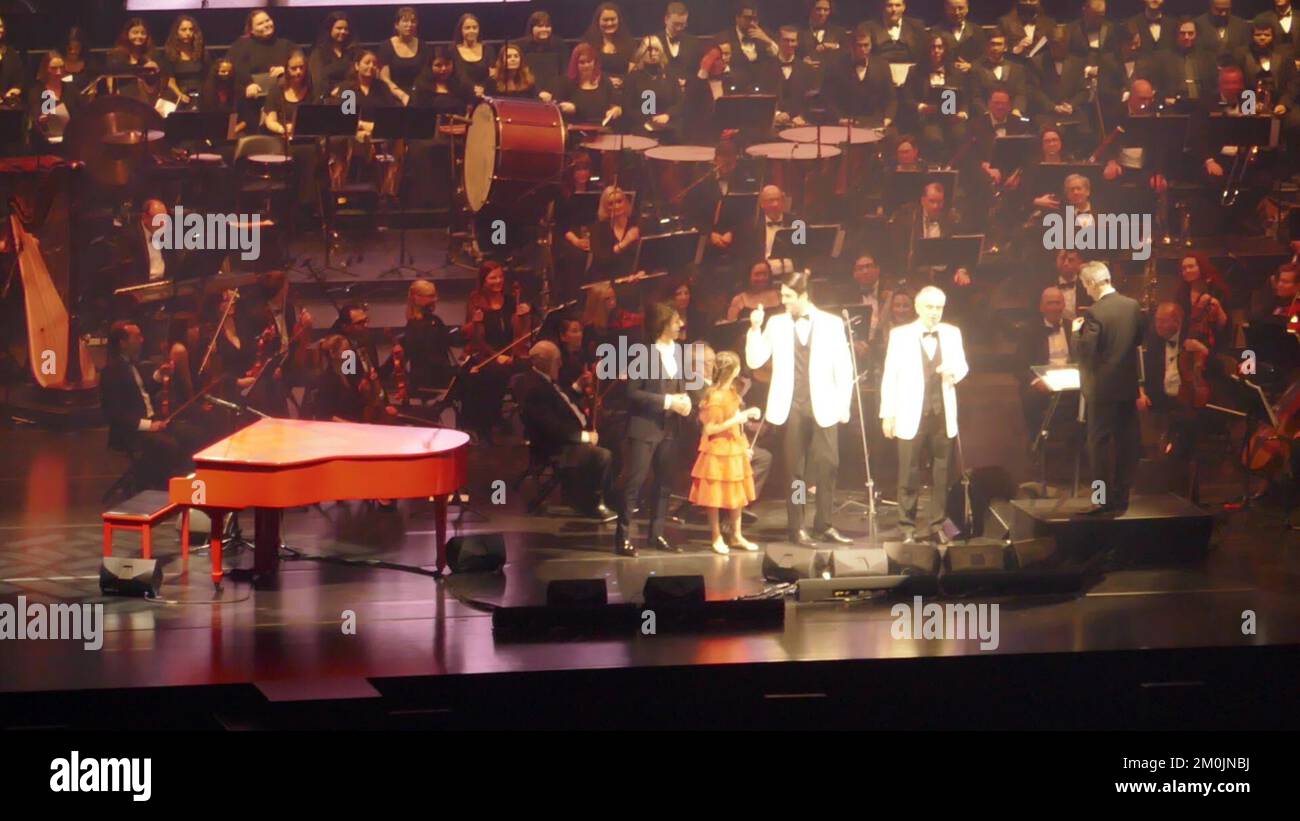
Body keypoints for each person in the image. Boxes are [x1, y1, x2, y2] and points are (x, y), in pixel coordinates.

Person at [746, 270, 855, 546]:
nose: (783, 301)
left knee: (828, 465)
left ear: (804, 296)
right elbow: (756, 359)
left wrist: (844, 404)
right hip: (792, 404)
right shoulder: (776, 324)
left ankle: (824, 524)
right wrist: (755, 328)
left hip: (824, 403)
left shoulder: (831, 324)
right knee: (795, 470)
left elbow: (844, 366)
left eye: (788, 296)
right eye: (782, 295)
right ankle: (797, 527)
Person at [880, 286, 970, 543]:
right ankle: (906, 526)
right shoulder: (900, 335)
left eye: (939, 308)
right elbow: (890, 377)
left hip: (942, 413)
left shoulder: (952, 333)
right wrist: (888, 413)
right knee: (908, 472)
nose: (934, 313)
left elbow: (963, 367)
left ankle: (937, 524)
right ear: (918, 308)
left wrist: (950, 369)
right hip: (911, 413)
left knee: (942, 473)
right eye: (929, 307)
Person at [613, 303, 694, 556]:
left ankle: (656, 534)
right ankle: (623, 537)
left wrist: (686, 401)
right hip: (645, 427)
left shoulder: (680, 352)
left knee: (664, 483)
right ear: (662, 324)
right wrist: (668, 402)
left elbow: (681, 386)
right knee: (635, 482)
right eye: (675, 320)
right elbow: (632, 392)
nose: (680, 324)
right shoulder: (643, 354)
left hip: (670, 427)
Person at [1071, 261, 1144, 514]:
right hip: (1126, 386)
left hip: (1101, 390)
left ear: (1092, 283)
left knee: (1098, 444)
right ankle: (1122, 495)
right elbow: (1138, 341)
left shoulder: (1094, 312)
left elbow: (1085, 354)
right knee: (1127, 442)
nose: (1086, 291)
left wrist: (1075, 333)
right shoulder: (1132, 306)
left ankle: (1102, 498)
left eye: (1084, 285)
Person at [518, 341, 617, 521]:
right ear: (543, 361)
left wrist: (578, 386)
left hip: (566, 437)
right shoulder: (534, 388)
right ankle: (594, 503)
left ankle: (611, 496)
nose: (560, 364)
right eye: (557, 360)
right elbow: (551, 428)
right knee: (602, 455)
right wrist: (584, 437)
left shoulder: (544, 381)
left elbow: (561, 403)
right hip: (554, 446)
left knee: (615, 437)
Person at [689, 351, 760, 554]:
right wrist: (739, 418)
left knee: (736, 493)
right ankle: (716, 536)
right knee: (715, 495)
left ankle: (736, 535)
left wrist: (744, 445)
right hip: (717, 450)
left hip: (733, 447)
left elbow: (736, 425)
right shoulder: (716, 396)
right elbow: (709, 429)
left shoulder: (732, 393)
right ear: (734, 370)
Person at [1018, 286, 1077, 443]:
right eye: (1050, 303)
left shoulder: (1074, 327)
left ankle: (1080, 443)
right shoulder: (1028, 330)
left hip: (1072, 382)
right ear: (1041, 307)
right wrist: (1037, 381)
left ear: (1064, 305)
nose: (1054, 307)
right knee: (1030, 397)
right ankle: (1036, 441)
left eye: (1058, 303)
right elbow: (1020, 366)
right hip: (1043, 382)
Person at [378, 7, 425, 105]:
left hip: (418, 94)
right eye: (405, 21)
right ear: (396, 25)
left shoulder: (423, 46)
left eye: (413, 21)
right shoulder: (386, 46)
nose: (409, 25)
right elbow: (384, 78)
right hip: (393, 95)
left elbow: (425, 75)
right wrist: (401, 95)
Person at [160, 15, 208, 105]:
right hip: (178, 96)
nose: (188, 33)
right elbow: (170, 81)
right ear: (176, 32)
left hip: (200, 96)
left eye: (191, 29)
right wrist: (180, 95)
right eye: (183, 29)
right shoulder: (170, 54)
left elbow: (208, 77)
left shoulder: (202, 52)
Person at [308, 12, 356, 100]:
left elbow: (356, 77)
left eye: (346, 29)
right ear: (330, 29)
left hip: (350, 97)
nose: (343, 32)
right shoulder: (318, 52)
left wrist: (342, 89)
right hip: (327, 99)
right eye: (339, 28)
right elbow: (318, 81)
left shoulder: (353, 51)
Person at [451, 14, 495, 98]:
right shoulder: (452, 50)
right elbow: (459, 76)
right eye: (467, 28)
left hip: (485, 95)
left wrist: (482, 88)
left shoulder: (488, 50)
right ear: (460, 30)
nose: (471, 31)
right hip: (460, 96)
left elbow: (492, 74)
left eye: (475, 27)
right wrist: (473, 89)